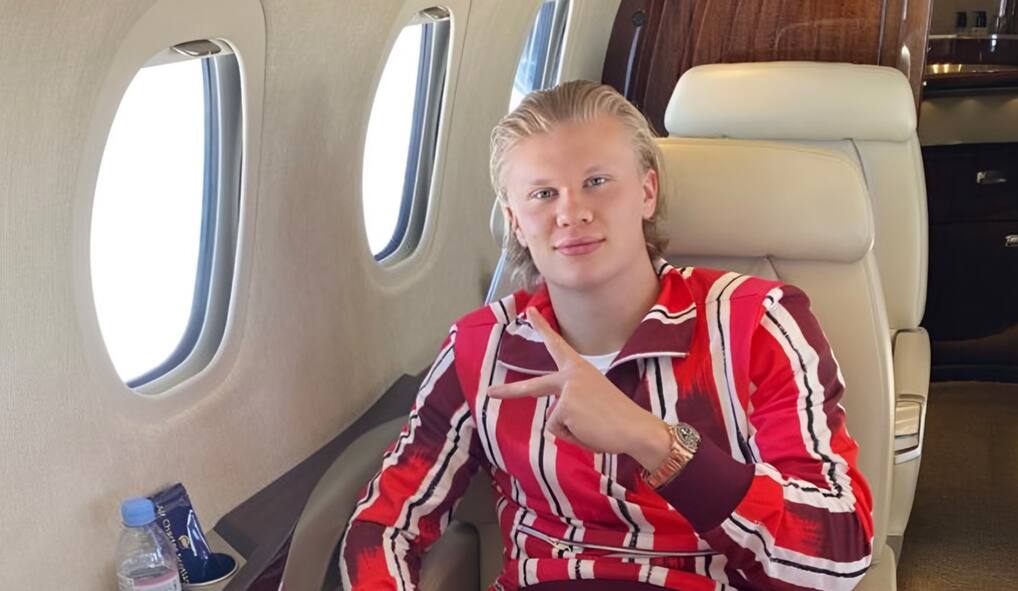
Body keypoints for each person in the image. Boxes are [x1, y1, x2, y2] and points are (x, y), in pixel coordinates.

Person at [339, 80, 873, 591]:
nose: (572, 212)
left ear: (647, 192)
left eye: (597, 182)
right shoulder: (480, 348)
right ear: (515, 221)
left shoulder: (758, 323)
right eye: (543, 193)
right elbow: (385, 525)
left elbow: (837, 556)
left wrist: (654, 442)